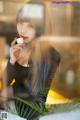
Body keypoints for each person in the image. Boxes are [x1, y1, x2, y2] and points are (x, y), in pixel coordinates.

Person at [2, 3, 60, 120]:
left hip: (29, 110)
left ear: (40, 28)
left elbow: (36, 98)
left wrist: (9, 94)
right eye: (20, 23)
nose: (23, 30)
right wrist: (12, 60)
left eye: (30, 26)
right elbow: (5, 83)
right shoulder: (20, 46)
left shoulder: (50, 54)